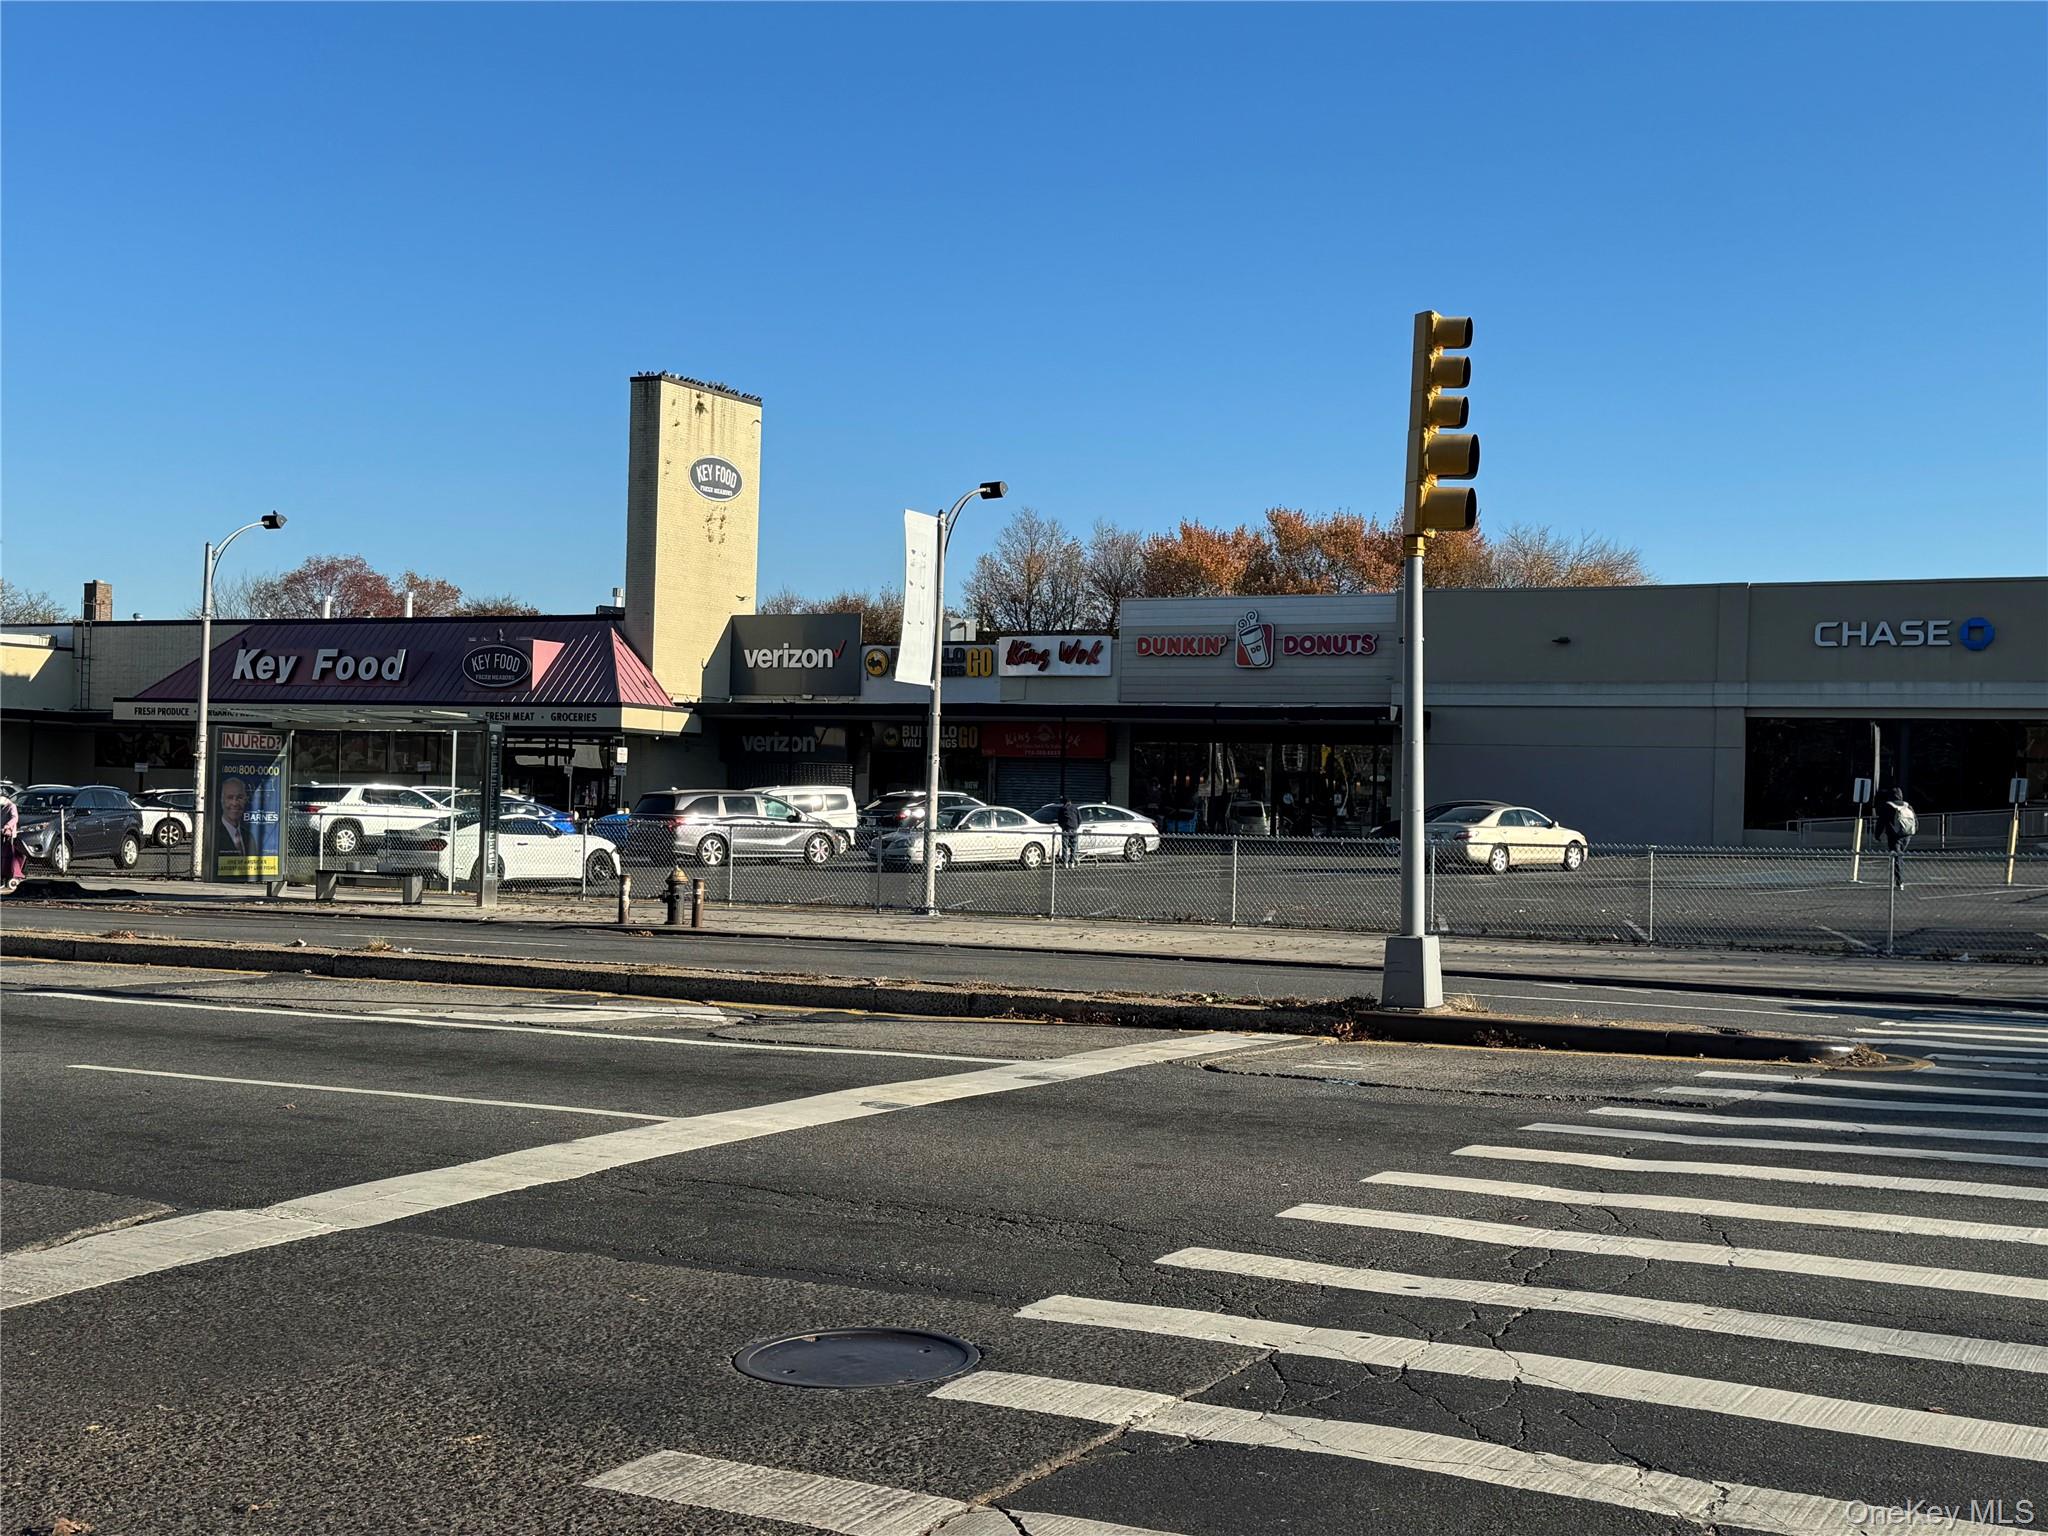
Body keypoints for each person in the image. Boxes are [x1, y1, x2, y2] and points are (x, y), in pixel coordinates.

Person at [1873, 785, 1916, 890]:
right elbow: (1915, 820)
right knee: (1899, 857)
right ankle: (1898, 880)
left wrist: (1877, 835)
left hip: (1894, 836)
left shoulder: (1888, 806)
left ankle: (1899, 881)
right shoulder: (1907, 806)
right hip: (1906, 835)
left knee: (1896, 858)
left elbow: (1881, 822)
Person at [218, 775, 252, 857]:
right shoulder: (215, 834)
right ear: (222, 800)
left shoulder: (249, 836)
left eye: (239, 797)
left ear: (245, 800)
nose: (235, 803)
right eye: (230, 797)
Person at [0, 790, 23, 894]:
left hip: (8, 835)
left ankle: (11, 875)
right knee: (3, 857)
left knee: (9, 856)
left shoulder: (11, 806)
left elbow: (15, 818)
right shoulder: (3, 807)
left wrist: (7, 826)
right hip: (2, 834)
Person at [1056, 795, 1081, 868]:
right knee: (1073, 846)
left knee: (1065, 846)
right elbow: (1079, 819)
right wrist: (1076, 826)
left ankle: (1065, 862)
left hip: (1066, 829)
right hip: (1074, 829)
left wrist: (1063, 827)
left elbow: (1059, 820)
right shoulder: (1075, 808)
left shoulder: (1062, 809)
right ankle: (1072, 862)